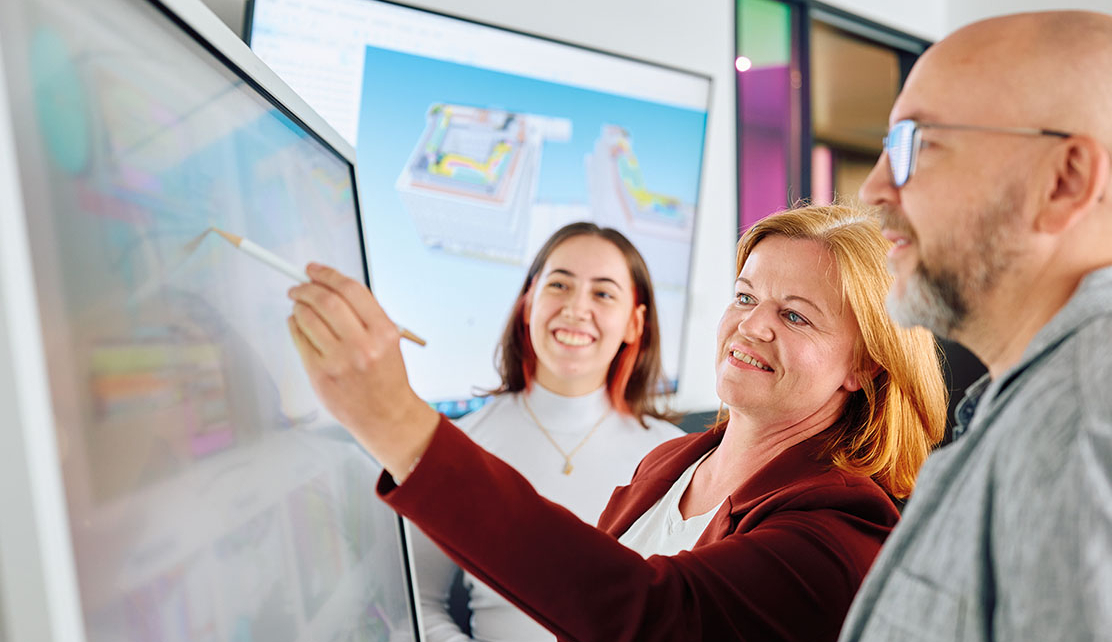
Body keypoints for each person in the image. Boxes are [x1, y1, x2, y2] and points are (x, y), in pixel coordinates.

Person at [285, 204, 948, 641]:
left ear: (862, 365)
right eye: (744, 297)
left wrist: (398, 424)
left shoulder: (837, 538)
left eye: (795, 315)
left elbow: (647, 615)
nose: (750, 325)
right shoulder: (672, 463)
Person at [839, 10, 1112, 641]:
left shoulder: (1097, 432)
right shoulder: (1086, 396)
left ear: (1065, 181)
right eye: (888, 148)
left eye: (919, 144)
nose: (876, 188)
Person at [410, 222, 684, 641]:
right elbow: (419, 604)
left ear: (634, 323)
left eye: (603, 293)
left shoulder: (677, 457)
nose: (576, 308)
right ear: (527, 303)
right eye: (559, 285)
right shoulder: (459, 446)